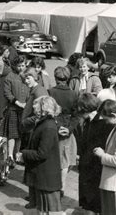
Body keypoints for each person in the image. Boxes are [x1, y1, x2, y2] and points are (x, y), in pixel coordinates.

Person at [20, 96, 63, 215]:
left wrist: (24, 153)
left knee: (53, 211)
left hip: (47, 177)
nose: (34, 109)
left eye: (36, 107)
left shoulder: (48, 126)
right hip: (43, 176)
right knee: (44, 210)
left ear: (43, 108)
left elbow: (42, 153)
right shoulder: (44, 123)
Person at [77, 93, 114, 215]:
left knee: (93, 203)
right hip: (87, 167)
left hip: (95, 168)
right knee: (89, 203)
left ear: (85, 109)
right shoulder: (90, 121)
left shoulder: (103, 123)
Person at [48, 66, 79, 197]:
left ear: (56, 78)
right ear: (67, 79)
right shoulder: (74, 94)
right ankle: (62, 187)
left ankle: (51, 187)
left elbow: (48, 112)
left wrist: (56, 126)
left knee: (51, 158)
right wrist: (69, 128)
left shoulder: (50, 92)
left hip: (53, 128)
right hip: (67, 130)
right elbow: (77, 115)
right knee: (65, 160)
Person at [1, 55, 30, 168]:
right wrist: (17, 102)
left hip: (25, 109)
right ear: (14, 66)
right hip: (13, 108)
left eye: (23, 65)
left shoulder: (28, 76)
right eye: (19, 66)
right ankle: (10, 156)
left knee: (20, 134)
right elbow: (7, 93)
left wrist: (28, 103)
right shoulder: (10, 77)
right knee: (12, 134)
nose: (21, 68)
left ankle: (16, 154)